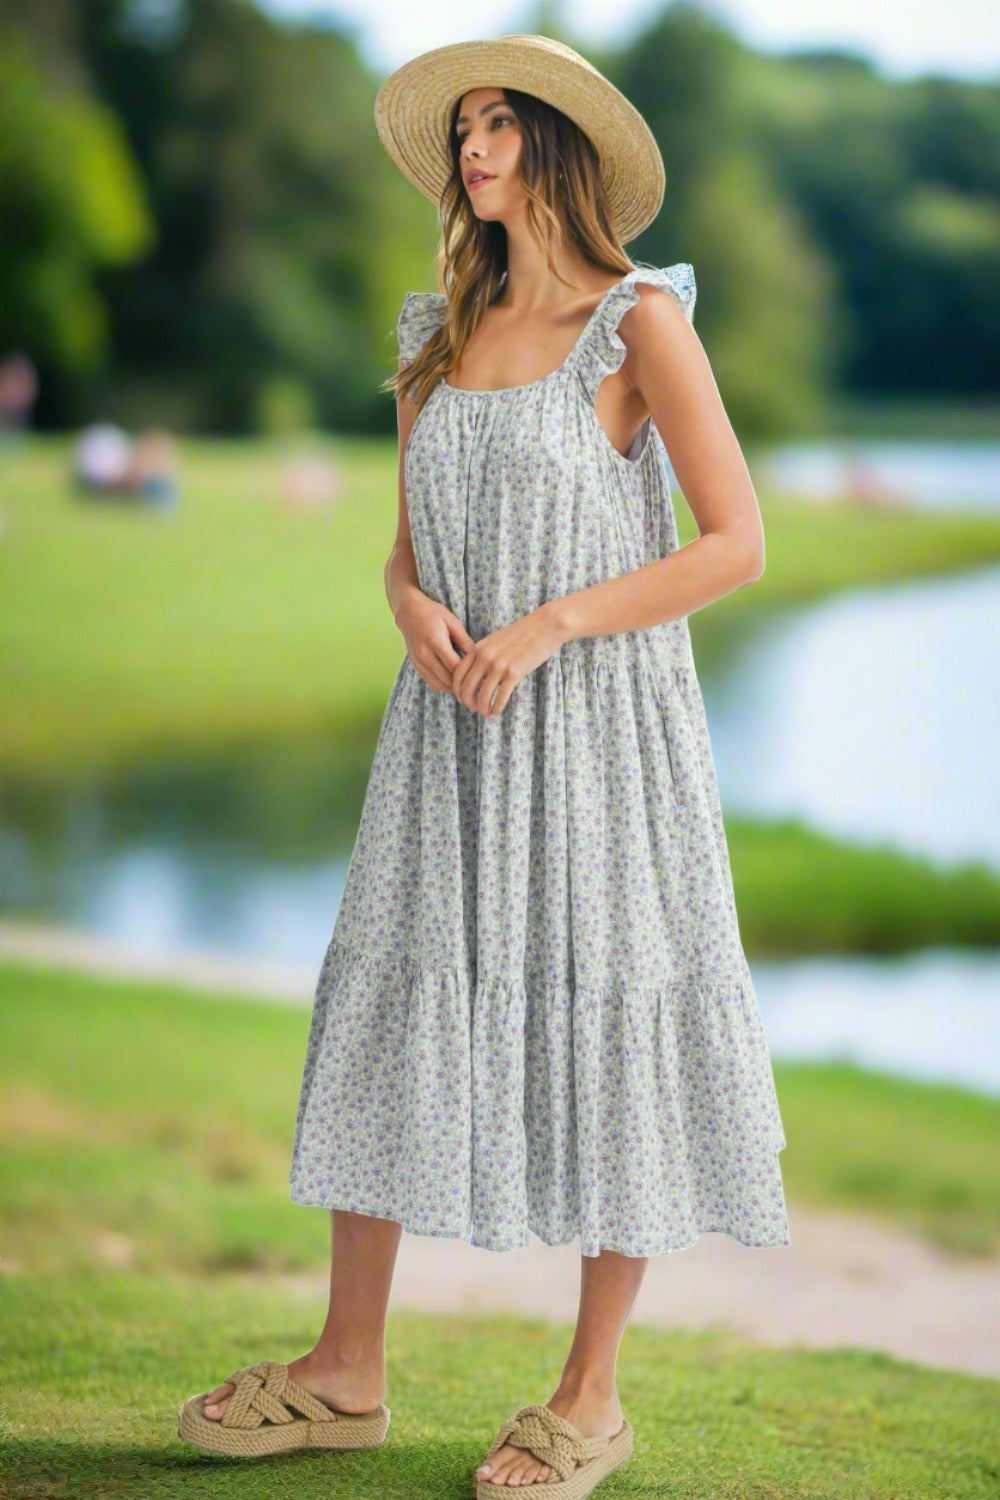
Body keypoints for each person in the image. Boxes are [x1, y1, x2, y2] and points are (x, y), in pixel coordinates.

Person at [176, 34, 790, 1496]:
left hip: (601, 731)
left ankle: (590, 1398)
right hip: (445, 731)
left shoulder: (639, 324)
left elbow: (737, 544)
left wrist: (555, 621)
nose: (473, 146)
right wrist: (409, 606)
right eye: (465, 126)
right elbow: (405, 550)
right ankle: (346, 1372)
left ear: (561, 147)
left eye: (501, 122)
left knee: (616, 1009)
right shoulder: (436, 334)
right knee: (392, 1002)